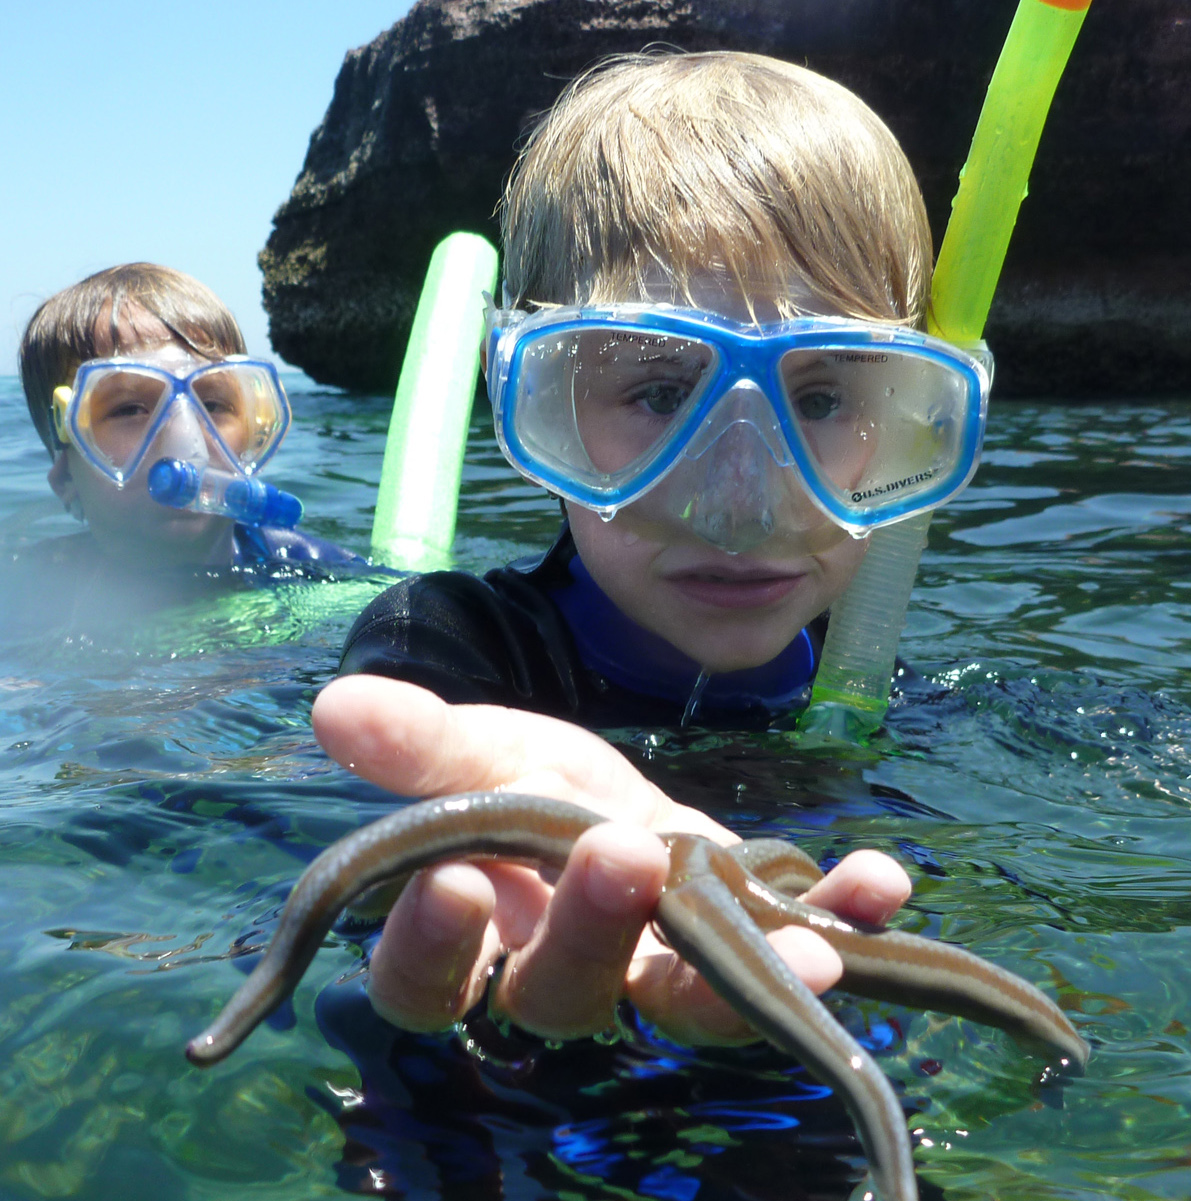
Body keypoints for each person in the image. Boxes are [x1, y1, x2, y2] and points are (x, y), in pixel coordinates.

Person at [340, 50, 989, 729]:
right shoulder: (445, 652)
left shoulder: (886, 690)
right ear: (532, 402)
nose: (742, 508)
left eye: (819, 401)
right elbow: (383, 740)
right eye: (662, 395)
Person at [17, 262, 360, 577]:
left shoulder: (318, 572)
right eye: (130, 409)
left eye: (213, 405)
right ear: (66, 481)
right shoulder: (29, 589)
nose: (186, 444)